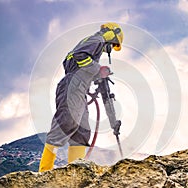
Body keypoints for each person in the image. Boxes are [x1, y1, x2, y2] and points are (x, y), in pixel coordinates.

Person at [38, 22, 124, 172]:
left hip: (80, 90)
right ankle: (44, 172)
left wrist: (113, 123)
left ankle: (74, 172)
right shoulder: (96, 40)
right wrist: (99, 69)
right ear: (110, 35)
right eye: (112, 45)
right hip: (72, 85)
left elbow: (105, 94)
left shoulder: (93, 53)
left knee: (82, 132)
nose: (108, 50)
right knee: (66, 123)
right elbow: (80, 56)